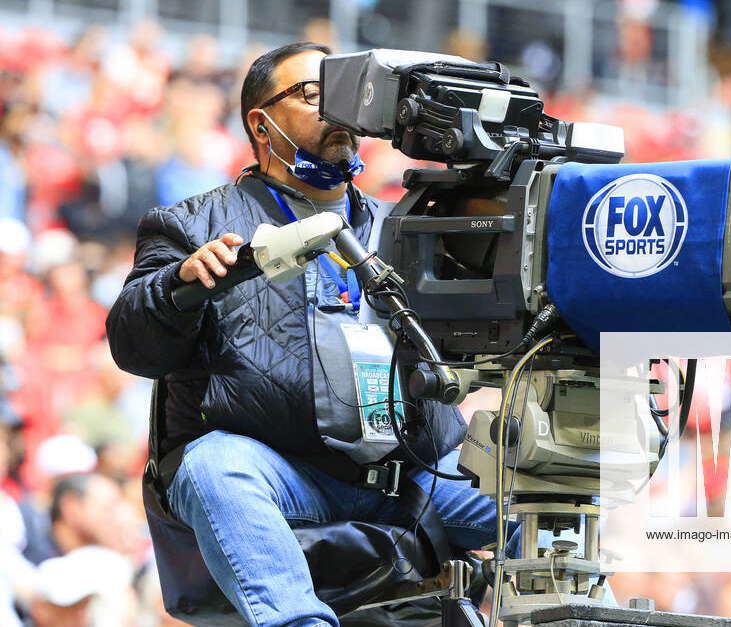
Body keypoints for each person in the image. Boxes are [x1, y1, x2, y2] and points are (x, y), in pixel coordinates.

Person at [106, 42, 505, 627]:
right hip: (285, 472)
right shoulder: (191, 226)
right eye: (314, 95)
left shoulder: (408, 226)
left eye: (345, 95)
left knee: (546, 490)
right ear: (261, 124)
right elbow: (132, 344)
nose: (337, 110)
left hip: (413, 473)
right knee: (213, 465)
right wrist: (178, 285)